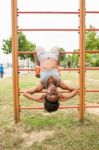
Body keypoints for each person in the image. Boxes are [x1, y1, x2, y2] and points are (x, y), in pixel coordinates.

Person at [23, 47, 78, 112]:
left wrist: (37, 99)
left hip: (42, 56)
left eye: (50, 94)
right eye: (55, 94)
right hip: (54, 55)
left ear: (45, 94)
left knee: (38, 48)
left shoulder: (42, 85)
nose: (53, 92)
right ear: (58, 95)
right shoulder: (60, 83)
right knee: (56, 47)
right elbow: (75, 90)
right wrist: (66, 98)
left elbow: (25, 93)